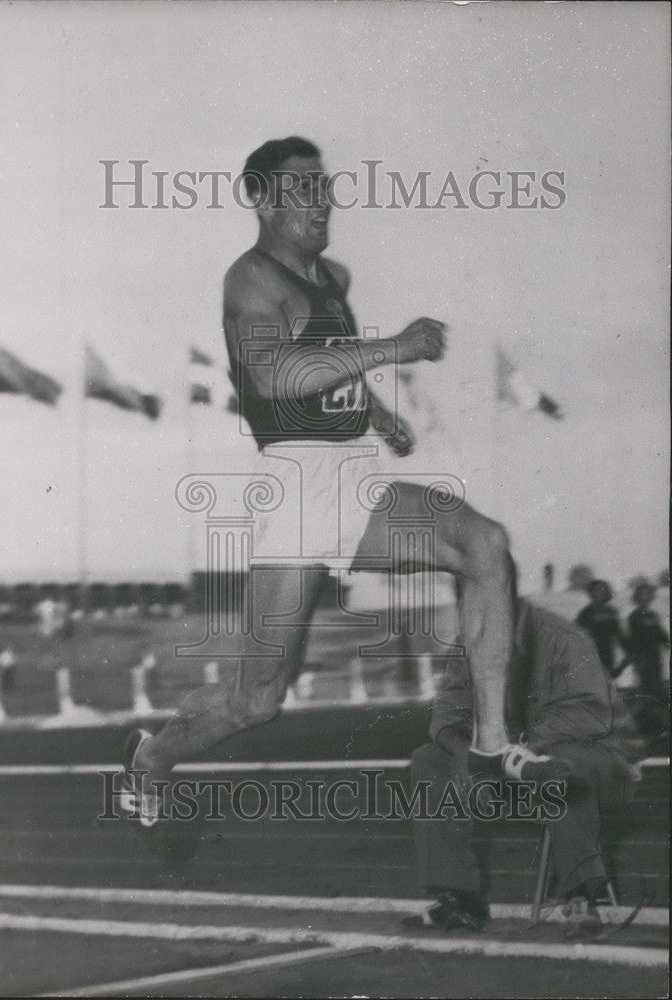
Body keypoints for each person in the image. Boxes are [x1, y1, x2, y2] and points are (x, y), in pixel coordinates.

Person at [119, 136, 570, 838]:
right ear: (262, 199)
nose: (321, 199)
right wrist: (395, 348)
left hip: (354, 476)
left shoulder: (334, 278)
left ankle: (490, 747)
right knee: (257, 700)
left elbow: (329, 364)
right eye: (301, 188)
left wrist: (377, 412)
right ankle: (152, 759)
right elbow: (275, 379)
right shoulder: (250, 281)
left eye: (323, 185)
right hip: (296, 487)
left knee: (484, 544)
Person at [407, 599, 643, 937]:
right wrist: (468, 763)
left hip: (598, 764)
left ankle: (582, 896)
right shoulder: (472, 642)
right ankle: (459, 897)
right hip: (516, 763)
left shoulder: (565, 639)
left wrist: (516, 754)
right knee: (429, 759)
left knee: (563, 761)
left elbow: (588, 715)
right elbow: (447, 717)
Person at [575, 579, 625, 676]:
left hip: (608, 650)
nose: (598, 593)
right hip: (592, 651)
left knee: (608, 676)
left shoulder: (612, 611)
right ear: (591, 593)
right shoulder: (586, 612)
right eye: (595, 590)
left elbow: (618, 632)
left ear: (607, 592)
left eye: (601, 590)